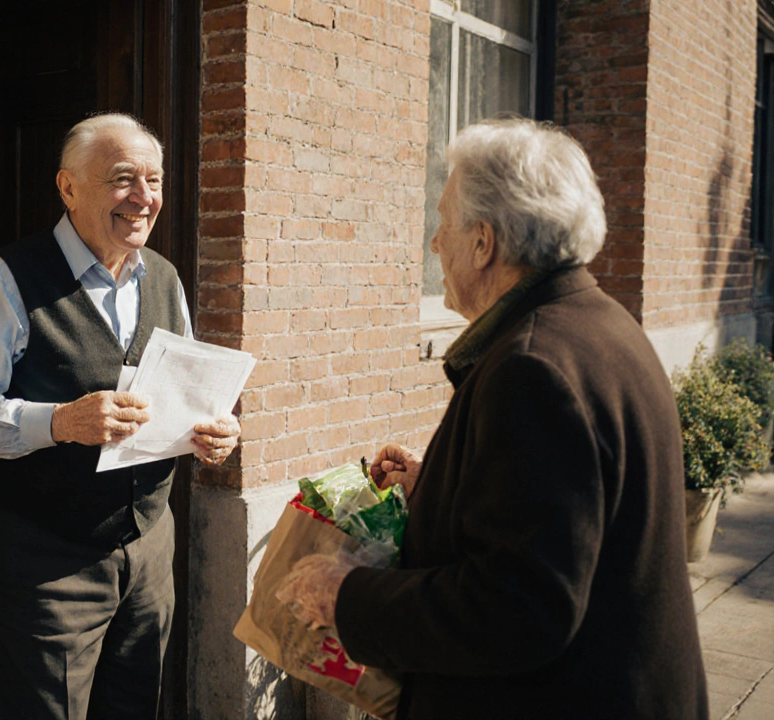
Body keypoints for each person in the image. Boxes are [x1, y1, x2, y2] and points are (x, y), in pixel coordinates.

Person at [277, 119, 708, 718]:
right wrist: (440, 485)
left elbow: (519, 606)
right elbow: (555, 512)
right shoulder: (597, 323)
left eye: (444, 222)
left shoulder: (535, 367)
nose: (434, 245)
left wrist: (347, 595)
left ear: (484, 243)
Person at [0, 112, 240, 720]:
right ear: (68, 188)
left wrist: (216, 429)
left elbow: (187, 394)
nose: (144, 198)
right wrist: (59, 422)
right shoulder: (8, 278)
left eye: (153, 180)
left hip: (150, 550)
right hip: (48, 563)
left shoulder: (166, 279)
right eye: (123, 179)